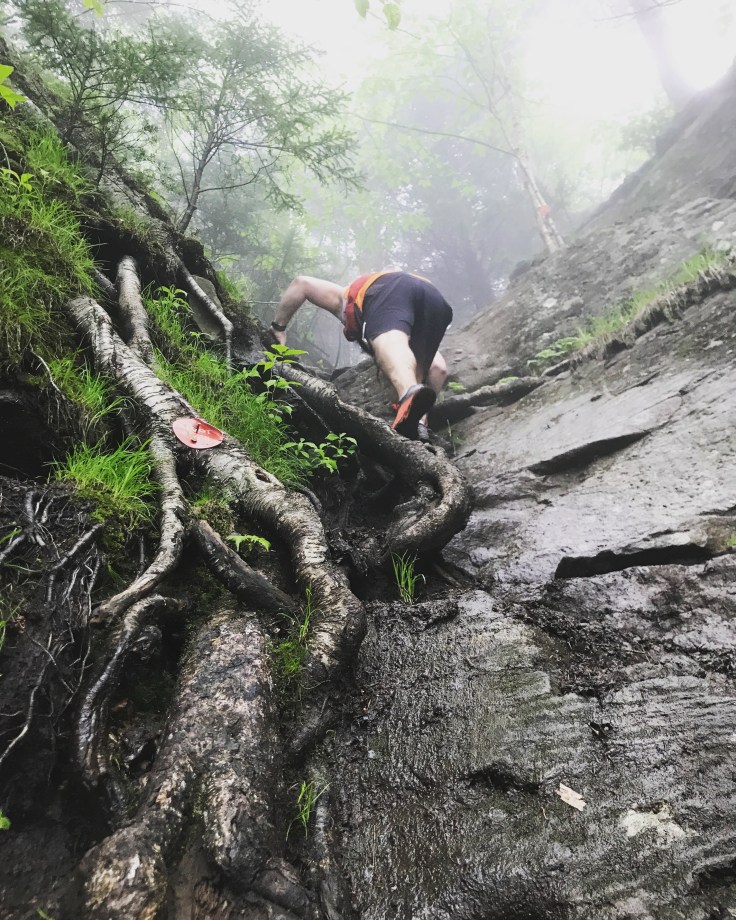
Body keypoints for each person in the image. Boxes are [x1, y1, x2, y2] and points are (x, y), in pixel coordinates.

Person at [268, 271, 453, 441]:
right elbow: (439, 369)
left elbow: (302, 283)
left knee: (388, 340)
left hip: (391, 286)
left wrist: (278, 328)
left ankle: (407, 393)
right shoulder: (408, 325)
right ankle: (420, 425)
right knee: (417, 368)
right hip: (437, 301)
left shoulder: (345, 299)